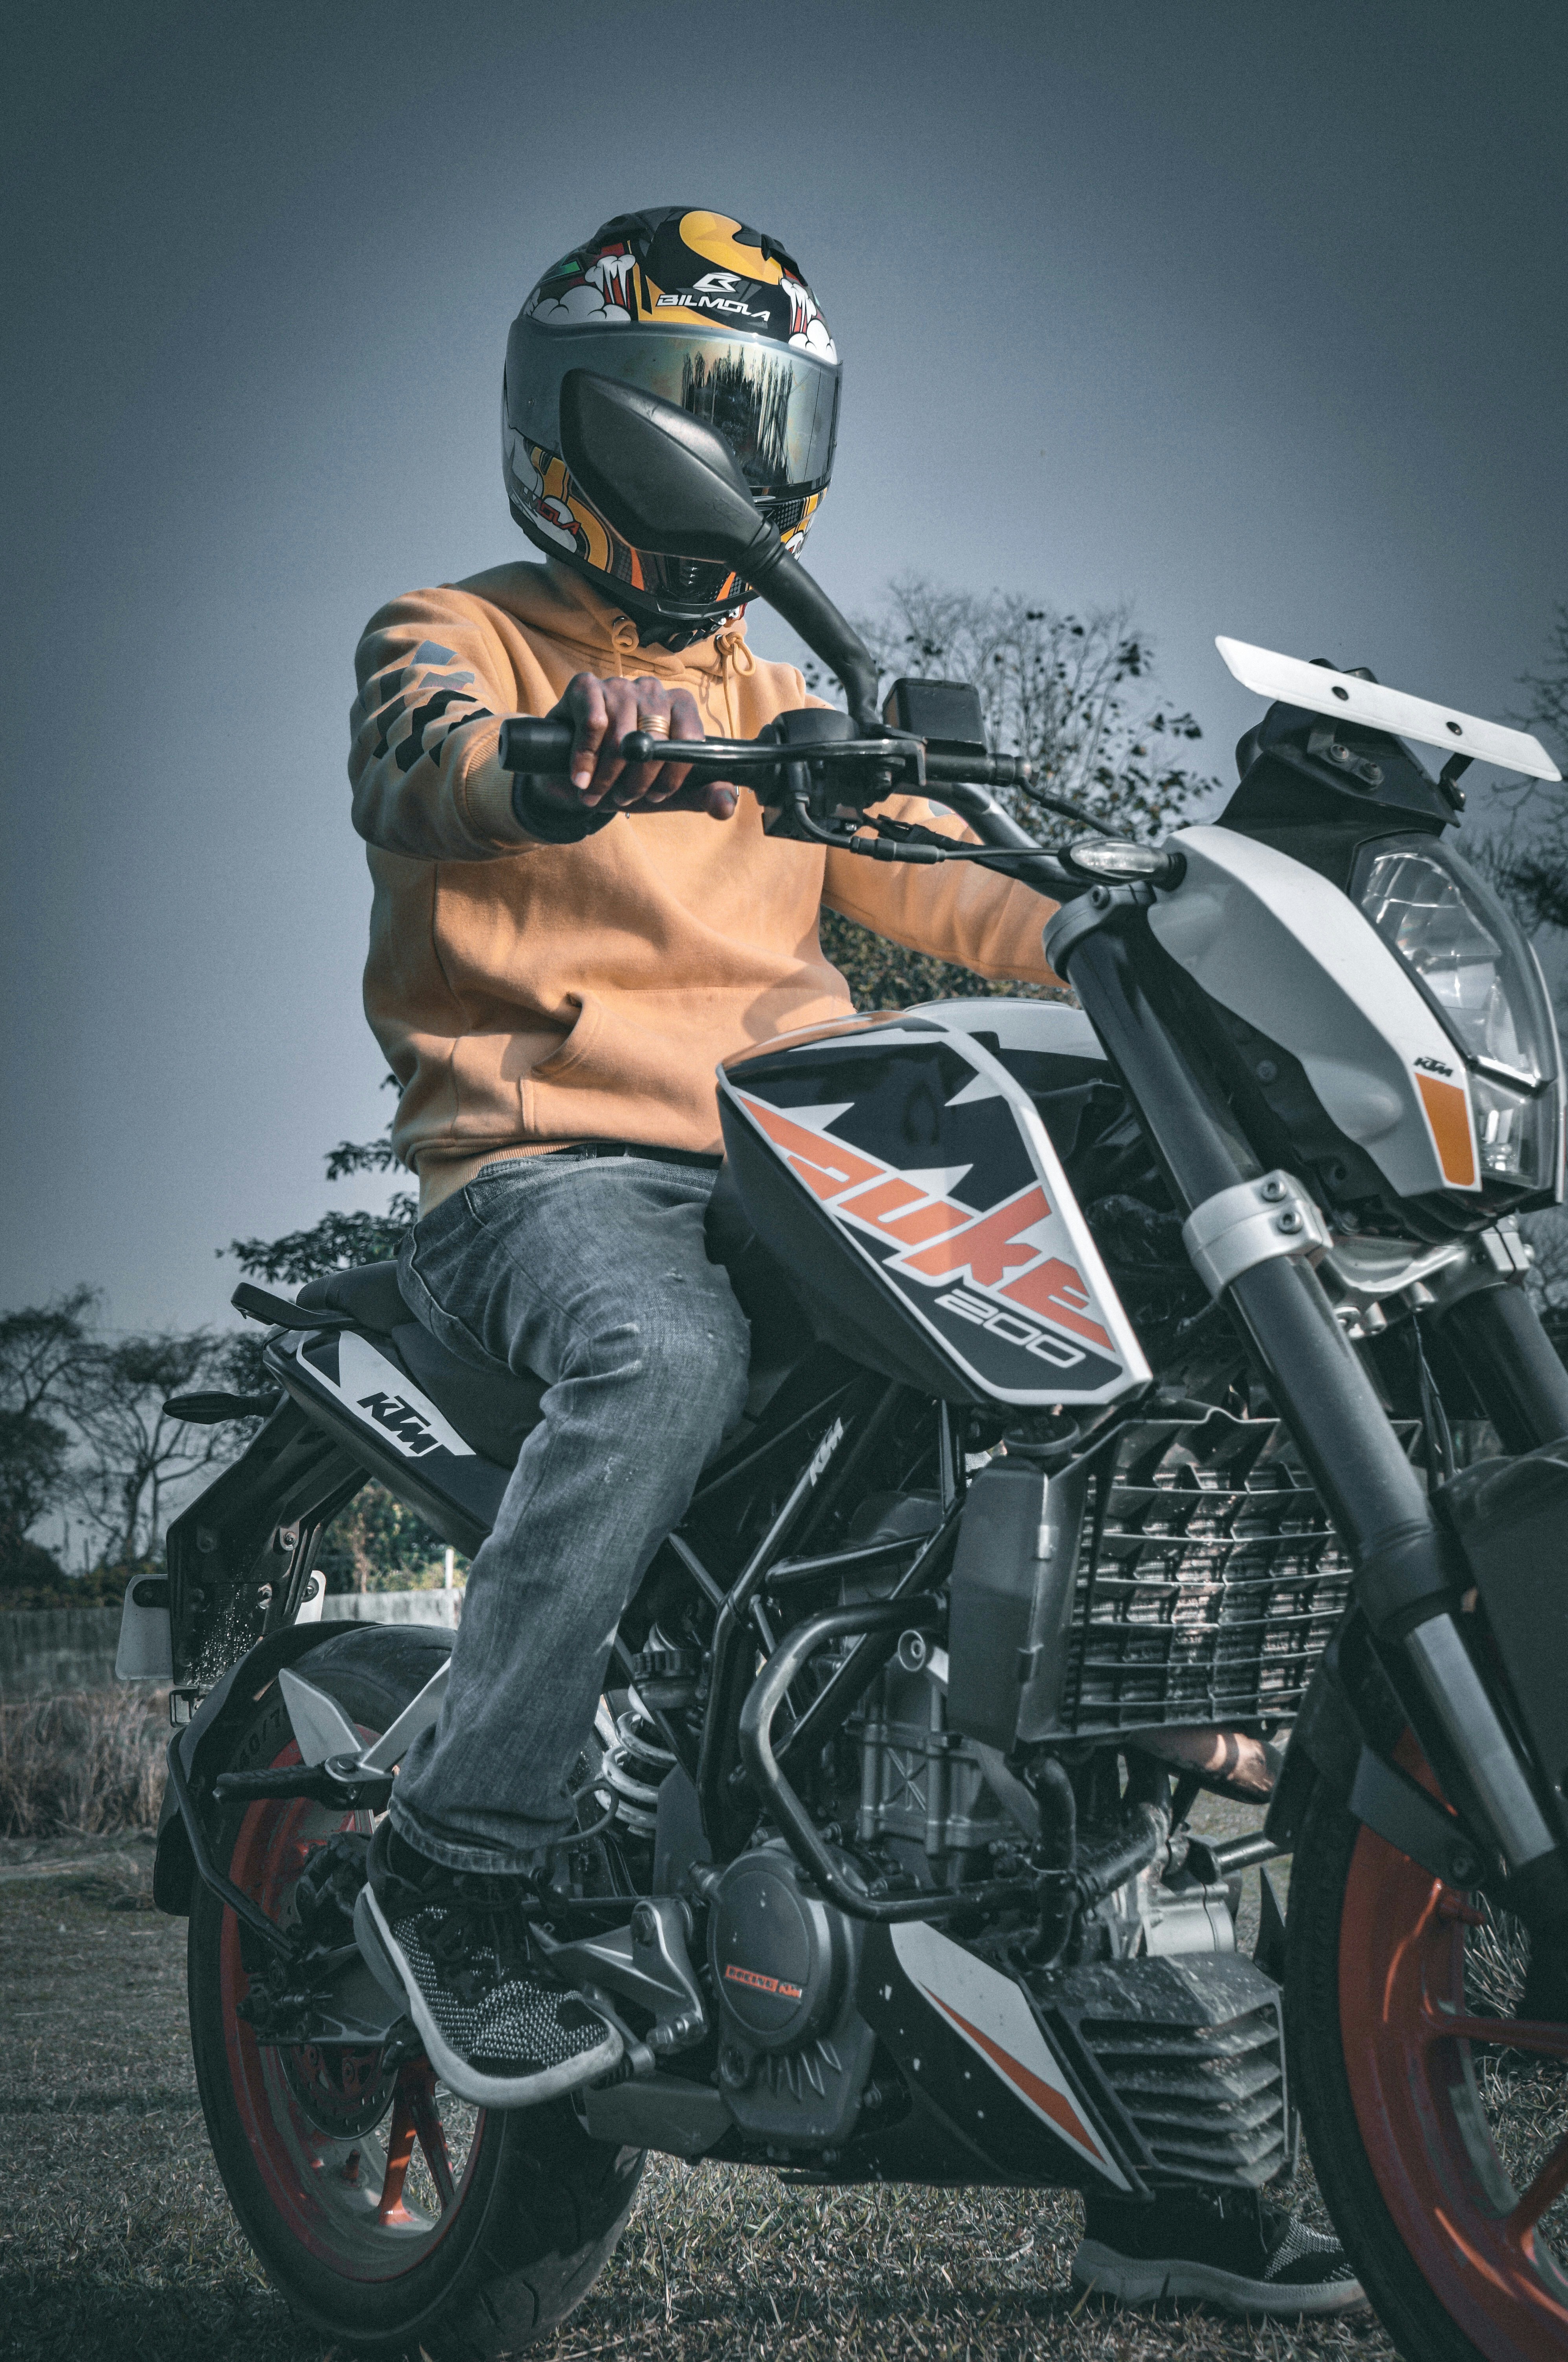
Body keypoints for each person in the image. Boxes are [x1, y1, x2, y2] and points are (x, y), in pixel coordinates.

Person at [348, 205, 1361, 2317]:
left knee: (1115, 1410)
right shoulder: (459, 631)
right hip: (548, 1172)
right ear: (587, 433)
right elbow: (422, 769)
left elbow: (962, 892)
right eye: (706, 420)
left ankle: (1148, 2125)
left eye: (769, 422)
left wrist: (1156, 904)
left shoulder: (780, 700)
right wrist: (557, 757)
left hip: (786, 1154)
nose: (743, 457)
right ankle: (458, 1868)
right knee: (663, 1371)